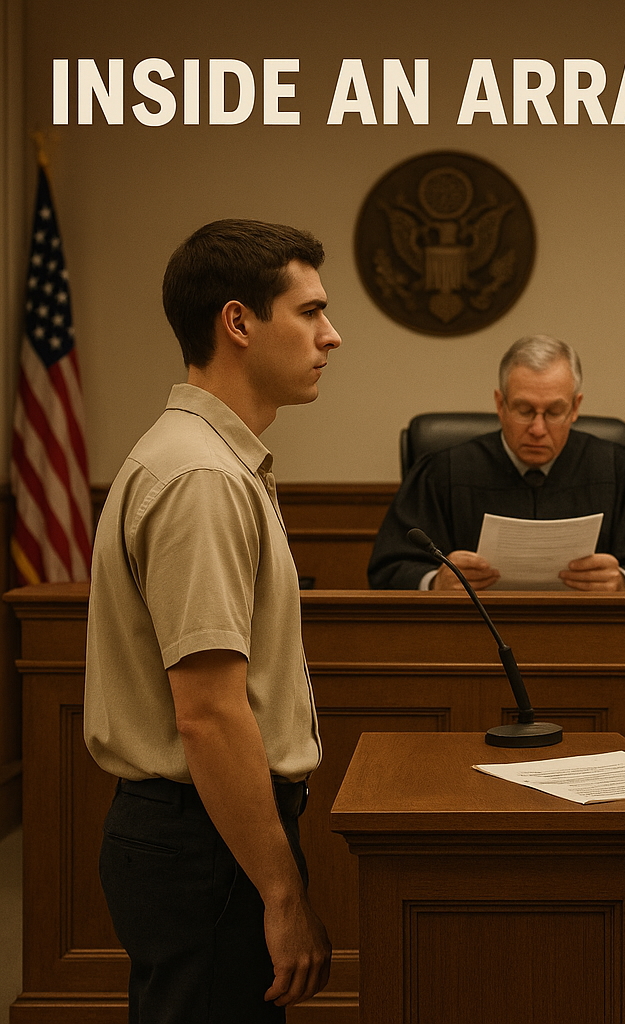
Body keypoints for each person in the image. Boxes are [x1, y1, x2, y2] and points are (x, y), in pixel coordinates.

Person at [84, 219, 342, 1023]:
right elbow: (207, 714)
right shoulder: (200, 475)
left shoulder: (208, 457)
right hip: (206, 843)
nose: (331, 337)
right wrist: (281, 891)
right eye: (309, 313)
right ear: (238, 322)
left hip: (206, 832)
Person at [367, 334, 625, 591]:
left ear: (575, 407)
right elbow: (389, 569)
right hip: (471, 645)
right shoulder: (443, 472)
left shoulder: (621, 471)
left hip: (592, 640)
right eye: (524, 410)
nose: (538, 429)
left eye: (554, 412)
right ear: (500, 404)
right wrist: (434, 582)